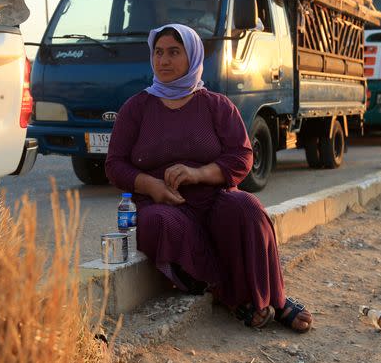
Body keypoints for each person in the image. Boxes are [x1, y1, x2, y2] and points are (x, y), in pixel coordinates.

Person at [105, 23, 312, 332]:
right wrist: (153, 186)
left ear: (192, 56)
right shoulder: (136, 108)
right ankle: (231, 296)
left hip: (215, 200)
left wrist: (198, 173)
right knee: (158, 223)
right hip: (164, 205)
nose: (164, 60)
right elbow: (115, 165)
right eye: (158, 52)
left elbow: (242, 157)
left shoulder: (216, 106)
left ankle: (276, 300)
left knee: (247, 208)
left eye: (174, 52)